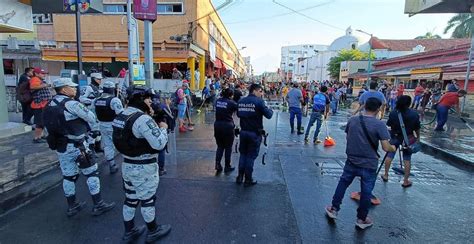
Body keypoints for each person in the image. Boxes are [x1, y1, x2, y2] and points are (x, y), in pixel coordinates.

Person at [43, 78, 115, 217]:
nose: (75, 89)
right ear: (63, 89)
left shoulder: (49, 105)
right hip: (78, 145)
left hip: (61, 146)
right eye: (71, 87)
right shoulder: (72, 104)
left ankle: (72, 205)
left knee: (68, 177)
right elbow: (91, 117)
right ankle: (98, 204)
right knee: (91, 173)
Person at [325, 98, 396, 229]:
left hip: (352, 160)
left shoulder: (353, 120)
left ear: (364, 107)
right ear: (378, 110)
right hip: (369, 163)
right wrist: (393, 148)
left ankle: (333, 209)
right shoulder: (379, 125)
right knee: (366, 191)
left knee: (343, 183)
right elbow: (386, 147)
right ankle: (361, 219)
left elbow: (348, 136)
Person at [112, 85, 171, 242]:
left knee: (130, 198)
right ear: (140, 99)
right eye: (148, 98)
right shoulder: (142, 119)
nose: (151, 101)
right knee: (147, 199)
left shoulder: (121, 115)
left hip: (127, 164)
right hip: (144, 166)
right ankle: (153, 230)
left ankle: (129, 230)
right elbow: (159, 144)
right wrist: (163, 128)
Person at [237, 84, 273, 187]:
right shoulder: (259, 102)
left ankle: (240, 176)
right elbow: (269, 115)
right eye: (260, 91)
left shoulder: (241, 101)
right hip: (254, 133)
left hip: (243, 132)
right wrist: (268, 107)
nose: (261, 94)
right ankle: (248, 179)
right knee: (251, 156)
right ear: (254, 91)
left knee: (243, 154)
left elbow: (239, 114)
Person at [382, 95, 420, 187]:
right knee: (407, 159)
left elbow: (389, 125)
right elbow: (417, 128)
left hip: (395, 137)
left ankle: (386, 175)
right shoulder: (414, 114)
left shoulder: (394, 113)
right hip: (408, 138)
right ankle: (406, 180)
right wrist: (418, 137)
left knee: (389, 155)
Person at [92, 80, 123, 174]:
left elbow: (92, 113)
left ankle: (112, 164)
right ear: (112, 89)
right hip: (114, 125)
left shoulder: (96, 100)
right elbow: (120, 113)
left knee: (107, 145)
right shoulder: (114, 100)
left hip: (101, 125)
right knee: (122, 143)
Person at [214, 88, 238, 173]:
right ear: (231, 95)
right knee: (228, 147)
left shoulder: (217, 101)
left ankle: (217, 164)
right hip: (227, 126)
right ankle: (227, 166)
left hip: (217, 125)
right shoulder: (231, 103)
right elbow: (238, 111)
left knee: (220, 146)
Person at [29, 67, 53, 143]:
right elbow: (33, 87)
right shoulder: (34, 79)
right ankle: (37, 138)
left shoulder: (40, 80)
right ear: (36, 73)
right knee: (39, 122)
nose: (44, 75)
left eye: (44, 73)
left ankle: (41, 136)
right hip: (39, 105)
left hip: (43, 104)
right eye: (42, 73)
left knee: (42, 122)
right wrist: (46, 85)